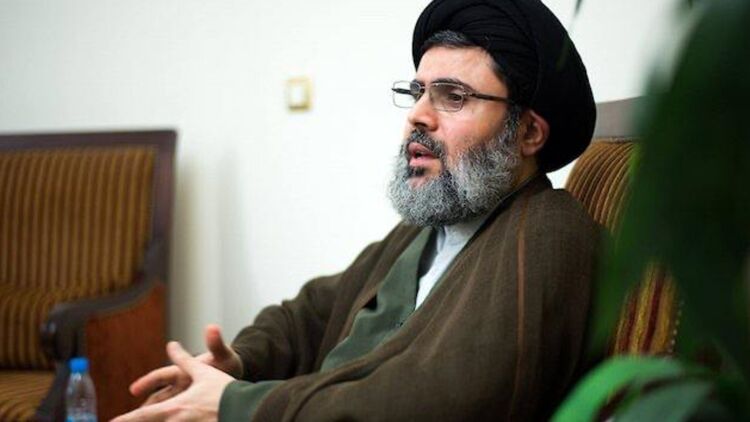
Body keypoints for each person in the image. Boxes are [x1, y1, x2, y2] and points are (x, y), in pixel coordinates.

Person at [113, 0, 600, 420]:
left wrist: (238, 405)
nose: (417, 116)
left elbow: (445, 400)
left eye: (452, 97)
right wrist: (240, 362)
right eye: (418, 92)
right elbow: (311, 313)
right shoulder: (427, 230)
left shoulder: (549, 230)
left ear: (528, 133)